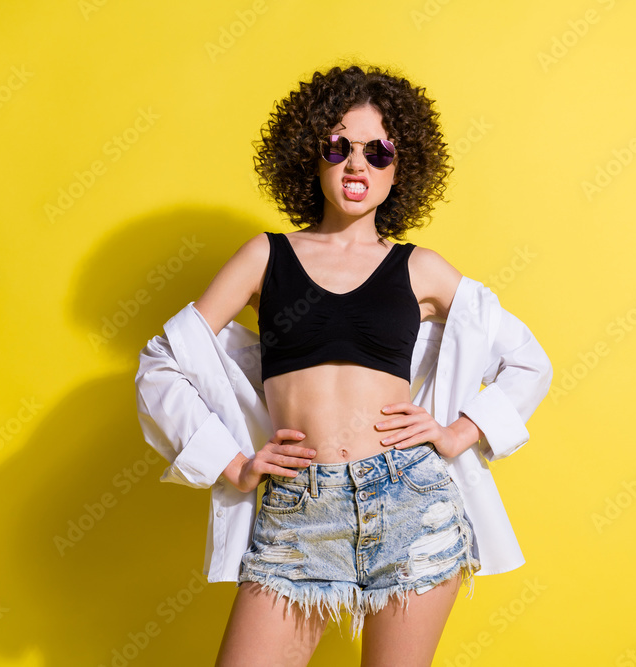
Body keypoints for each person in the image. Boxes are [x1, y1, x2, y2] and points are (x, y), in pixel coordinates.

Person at [134, 63, 552, 667]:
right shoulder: (266, 256)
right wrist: (231, 463)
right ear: (312, 154)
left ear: (400, 168)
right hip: (298, 509)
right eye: (340, 146)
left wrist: (458, 433)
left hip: (413, 501)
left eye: (378, 151)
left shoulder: (421, 269)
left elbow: (526, 360)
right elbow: (165, 362)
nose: (358, 164)